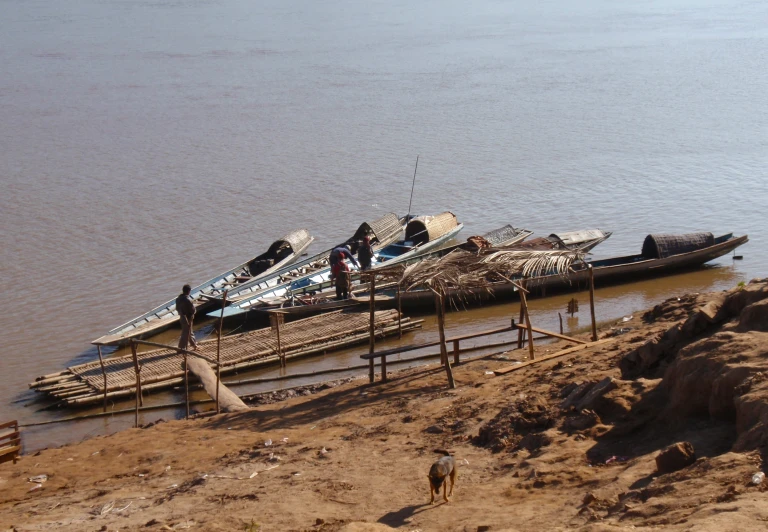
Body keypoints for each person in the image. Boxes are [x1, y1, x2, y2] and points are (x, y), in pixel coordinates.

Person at [176, 284, 198, 351]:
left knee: (189, 332)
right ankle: (181, 348)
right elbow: (193, 310)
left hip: (182, 317)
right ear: (188, 291)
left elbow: (177, 308)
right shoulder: (187, 300)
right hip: (188, 318)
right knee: (186, 333)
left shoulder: (178, 299)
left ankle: (194, 345)